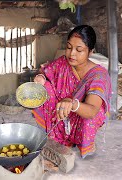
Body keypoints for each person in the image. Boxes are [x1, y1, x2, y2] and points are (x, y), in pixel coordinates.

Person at [33, 25, 111, 158]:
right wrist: (40, 78)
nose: (72, 53)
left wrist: (73, 104)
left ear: (90, 52)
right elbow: (46, 73)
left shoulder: (98, 76)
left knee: (93, 116)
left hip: (81, 117)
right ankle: (57, 136)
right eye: (69, 47)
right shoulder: (63, 63)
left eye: (79, 50)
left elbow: (92, 110)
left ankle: (81, 141)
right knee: (45, 87)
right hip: (60, 113)